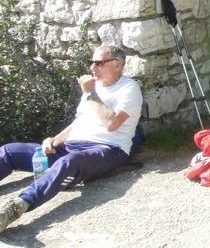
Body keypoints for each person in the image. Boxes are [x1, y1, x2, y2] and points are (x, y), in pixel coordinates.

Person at [0, 45, 142, 233]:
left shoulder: (129, 89)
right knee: (10, 151)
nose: (93, 68)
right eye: (92, 63)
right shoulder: (93, 88)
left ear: (117, 65)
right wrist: (54, 140)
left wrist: (91, 93)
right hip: (71, 145)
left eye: (99, 63)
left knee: (69, 162)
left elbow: (112, 124)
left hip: (107, 149)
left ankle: (19, 205)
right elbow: (79, 122)